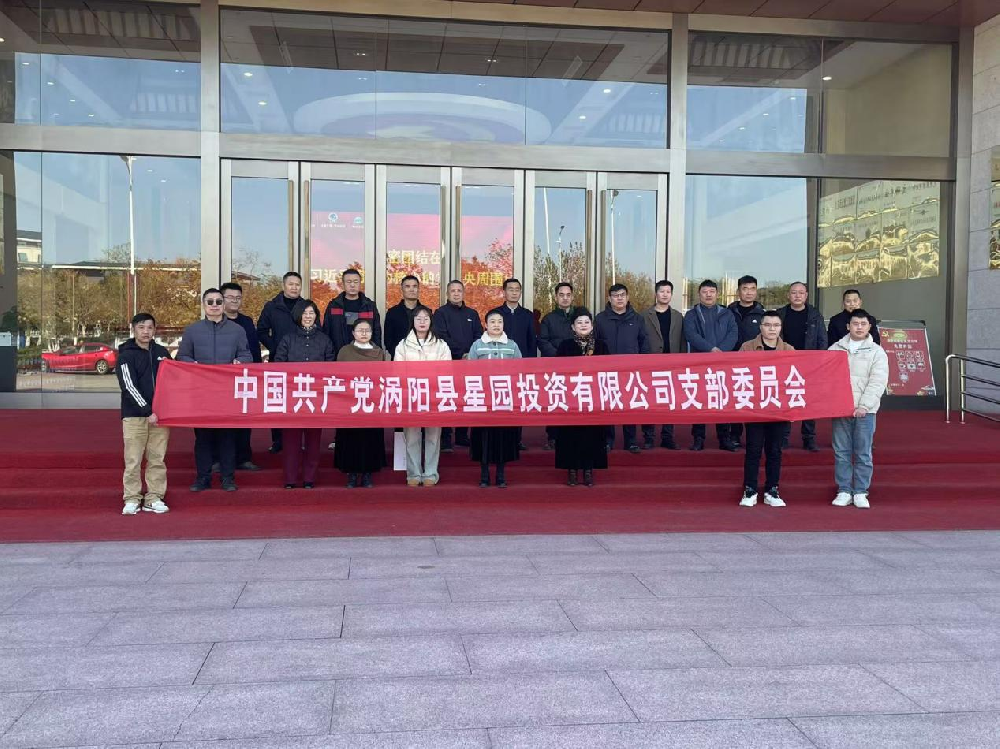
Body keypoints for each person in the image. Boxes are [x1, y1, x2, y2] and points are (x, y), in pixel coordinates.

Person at [178, 288, 253, 492]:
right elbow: (182, 356)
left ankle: (228, 478)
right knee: (203, 438)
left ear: (223, 304)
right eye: (210, 302)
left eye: (218, 302)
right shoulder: (192, 330)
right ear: (204, 305)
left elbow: (247, 355)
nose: (214, 305)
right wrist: (192, 364)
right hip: (201, 392)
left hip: (227, 392)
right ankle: (203, 478)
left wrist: (240, 362)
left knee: (227, 438)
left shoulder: (237, 330)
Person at [830, 309, 889, 509]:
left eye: (863, 324)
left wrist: (864, 405)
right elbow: (827, 378)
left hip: (866, 410)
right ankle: (844, 490)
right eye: (855, 323)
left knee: (863, 452)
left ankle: (861, 491)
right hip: (841, 409)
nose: (859, 327)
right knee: (841, 451)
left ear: (869, 327)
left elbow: (878, 381)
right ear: (848, 326)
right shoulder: (835, 349)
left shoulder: (876, 352)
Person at [273, 299, 335, 489]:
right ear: (298, 316)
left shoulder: (324, 340)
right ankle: (290, 479)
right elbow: (278, 364)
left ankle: (310, 478)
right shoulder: (288, 339)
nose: (308, 317)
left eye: (311, 313)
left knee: (313, 441)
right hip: (292, 396)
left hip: (316, 396)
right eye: (305, 313)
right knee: (290, 441)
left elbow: (331, 366)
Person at [116, 312, 172, 515]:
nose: (146, 331)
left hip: (160, 417)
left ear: (154, 330)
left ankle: (154, 497)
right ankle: (132, 498)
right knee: (133, 460)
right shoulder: (125, 355)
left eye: (150, 327)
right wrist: (147, 410)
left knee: (157, 458)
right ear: (133, 329)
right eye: (141, 327)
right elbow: (128, 387)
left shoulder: (161, 352)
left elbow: (173, 379)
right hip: (134, 416)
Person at [739, 311, 792, 508]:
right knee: (753, 449)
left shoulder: (789, 349)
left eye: (776, 325)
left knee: (774, 450)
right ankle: (750, 489)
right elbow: (738, 373)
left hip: (779, 408)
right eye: (767, 325)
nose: (771, 329)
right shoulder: (747, 347)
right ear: (760, 327)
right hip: (755, 407)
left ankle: (772, 489)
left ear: (781, 328)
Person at [394, 305, 451, 486]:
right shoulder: (403, 345)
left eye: (426, 318)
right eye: (418, 318)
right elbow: (398, 371)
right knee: (412, 435)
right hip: (411, 395)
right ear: (413, 321)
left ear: (431, 321)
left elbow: (446, 370)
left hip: (434, 395)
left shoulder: (441, 345)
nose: (422, 322)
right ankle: (413, 474)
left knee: (433, 436)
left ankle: (430, 474)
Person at [467, 310, 522, 488]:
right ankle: (484, 475)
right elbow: (469, 371)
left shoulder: (512, 345)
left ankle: (500, 475)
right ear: (486, 325)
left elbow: (520, 370)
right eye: (492, 322)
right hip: (483, 398)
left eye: (499, 322)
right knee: (483, 436)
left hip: (504, 398)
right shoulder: (477, 345)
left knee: (502, 436)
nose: (496, 325)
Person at [555, 308, 609, 487]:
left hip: (594, 397)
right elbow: (558, 371)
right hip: (571, 397)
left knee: (592, 435)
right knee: (571, 435)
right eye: (579, 323)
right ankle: (571, 470)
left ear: (592, 326)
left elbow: (609, 370)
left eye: (587, 322)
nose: (583, 325)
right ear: (573, 326)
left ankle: (588, 469)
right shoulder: (565, 346)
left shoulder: (601, 346)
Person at [682, 280, 738, 452]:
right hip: (699, 364)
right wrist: (711, 349)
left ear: (717, 294)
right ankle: (698, 438)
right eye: (704, 291)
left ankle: (724, 438)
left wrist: (721, 351)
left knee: (723, 400)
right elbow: (691, 335)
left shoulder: (727, 314)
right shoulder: (691, 314)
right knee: (699, 401)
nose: (708, 294)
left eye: (712, 291)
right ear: (699, 294)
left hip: (722, 365)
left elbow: (733, 334)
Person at [595, 283, 650, 453]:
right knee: (608, 406)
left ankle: (631, 441)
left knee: (629, 406)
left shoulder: (637, 319)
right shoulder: (600, 319)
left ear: (627, 297)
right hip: (607, 371)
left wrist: (643, 365)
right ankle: (607, 440)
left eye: (622, 295)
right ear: (609, 298)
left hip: (630, 371)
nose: (619, 298)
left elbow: (644, 343)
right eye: (615, 295)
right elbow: (595, 343)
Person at [334, 319, 389, 488]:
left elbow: (384, 377)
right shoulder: (344, 352)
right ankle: (351, 474)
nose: (364, 333)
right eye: (360, 330)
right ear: (353, 333)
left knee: (369, 439)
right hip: (350, 403)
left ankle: (367, 474)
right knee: (351, 439)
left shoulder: (379, 353)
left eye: (367, 330)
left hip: (372, 403)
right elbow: (338, 376)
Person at [256, 271, 303, 454]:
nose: (294, 288)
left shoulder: (306, 306)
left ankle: (298, 440)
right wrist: (275, 347)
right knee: (278, 401)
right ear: (284, 286)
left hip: (301, 362)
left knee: (299, 400)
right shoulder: (272, 307)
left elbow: (317, 330)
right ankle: (277, 440)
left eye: (297, 285)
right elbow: (261, 331)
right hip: (278, 361)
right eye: (291, 284)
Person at [433, 279, 482, 451]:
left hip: (469, 364)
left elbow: (478, 335)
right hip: (448, 362)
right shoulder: (440, 313)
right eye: (452, 291)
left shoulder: (472, 314)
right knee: (448, 398)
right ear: (447, 294)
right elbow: (441, 336)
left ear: (463, 293)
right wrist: (461, 353)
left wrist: (471, 353)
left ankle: (462, 435)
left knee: (466, 398)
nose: (456, 293)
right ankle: (446, 437)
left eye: (459, 290)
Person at [777, 282, 827, 452]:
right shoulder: (780, 314)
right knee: (785, 400)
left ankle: (809, 438)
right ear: (788, 295)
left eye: (801, 293)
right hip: (785, 363)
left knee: (808, 401)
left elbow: (822, 340)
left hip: (809, 364)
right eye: (794, 292)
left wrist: (819, 361)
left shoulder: (815, 315)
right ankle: (783, 438)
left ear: (806, 295)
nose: (797, 296)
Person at [488, 278, 536, 450]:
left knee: (517, 403)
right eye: (511, 289)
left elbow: (532, 342)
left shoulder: (527, 315)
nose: (514, 292)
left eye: (517, 289)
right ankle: (498, 439)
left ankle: (516, 439)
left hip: (520, 367)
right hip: (498, 366)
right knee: (499, 402)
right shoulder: (496, 314)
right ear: (504, 292)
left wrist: (529, 366)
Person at [220, 282, 261, 471]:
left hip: (245, 378)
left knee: (244, 419)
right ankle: (219, 459)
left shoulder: (247, 322)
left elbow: (254, 349)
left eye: (238, 297)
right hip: (221, 381)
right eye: (230, 297)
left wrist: (257, 372)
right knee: (222, 421)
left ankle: (243, 458)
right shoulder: (215, 320)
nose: (234, 301)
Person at [641, 280, 684, 450]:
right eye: (662, 291)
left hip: (672, 364)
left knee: (669, 401)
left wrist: (682, 363)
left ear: (671, 294)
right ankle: (648, 436)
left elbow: (682, 341)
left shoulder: (678, 316)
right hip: (650, 364)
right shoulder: (644, 315)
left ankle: (667, 436)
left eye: (668, 291)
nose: (665, 294)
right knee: (649, 400)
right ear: (656, 293)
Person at [726, 275, 766, 447]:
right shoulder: (727, 312)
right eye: (745, 289)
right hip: (732, 362)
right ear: (738, 291)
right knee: (734, 399)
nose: (749, 292)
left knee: (753, 399)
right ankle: (734, 435)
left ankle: (753, 436)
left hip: (755, 364)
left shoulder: (763, 314)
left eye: (752, 289)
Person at [538, 282, 576, 450]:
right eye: (561, 295)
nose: (565, 298)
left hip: (576, 369)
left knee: (574, 402)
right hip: (555, 368)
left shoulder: (580, 317)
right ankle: (552, 437)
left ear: (572, 297)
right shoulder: (548, 319)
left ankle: (573, 436)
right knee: (555, 401)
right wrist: (558, 357)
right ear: (556, 297)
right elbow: (543, 341)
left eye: (568, 295)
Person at [323, 268, 382, 353]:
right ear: (343, 284)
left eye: (356, 282)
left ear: (360, 284)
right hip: (339, 353)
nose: (352, 285)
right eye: (349, 282)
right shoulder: (333, 306)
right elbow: (326, 331)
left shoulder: (369, 306)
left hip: (365, 354)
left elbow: (376, 332)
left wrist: (377, 352)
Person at [384, 274, 422, 362]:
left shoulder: (426, 312)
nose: (411, 289)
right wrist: (398, 354)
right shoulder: (392, 313)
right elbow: (388, 340)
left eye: (415, 286)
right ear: (402, 289)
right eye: (407, 286)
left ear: (418, 289)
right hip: (399, 359)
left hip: (422, 360)